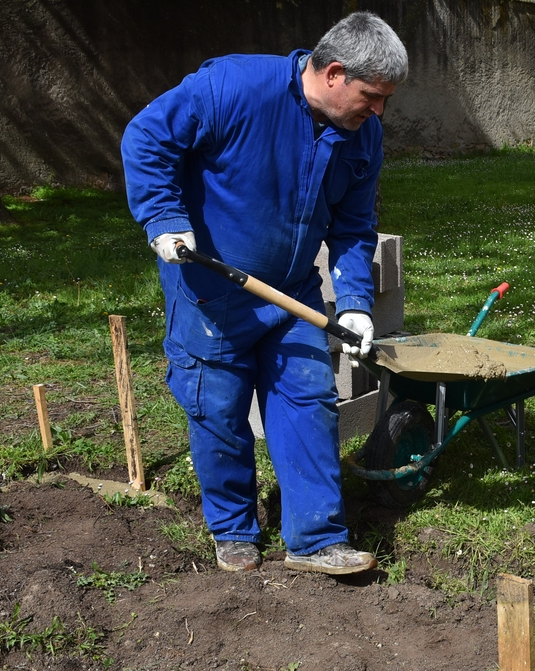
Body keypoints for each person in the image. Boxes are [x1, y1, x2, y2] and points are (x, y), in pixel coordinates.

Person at [121, 12, 408, 575]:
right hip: (211, 294)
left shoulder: (361, 137)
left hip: (293, 296)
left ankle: (317, 538)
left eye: (385, 101)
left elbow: (352, 227)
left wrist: (353, 303)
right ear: (333, 73)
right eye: (372, 97)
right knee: (219, 413)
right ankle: (232, 531)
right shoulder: (232, 88)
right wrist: (163, 216)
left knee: (309, 402)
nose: (378, 112)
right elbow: (147, 136)